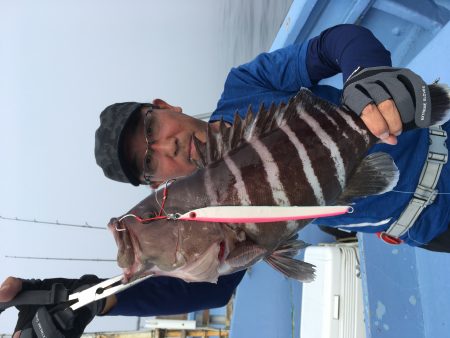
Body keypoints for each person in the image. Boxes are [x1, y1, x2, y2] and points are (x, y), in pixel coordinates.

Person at [1, 23, 448, 337]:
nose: (166, 149)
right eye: (148, 164)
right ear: (154, 185)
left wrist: (366, 75)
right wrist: (91, 300)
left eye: (153, 130)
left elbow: (337, 42)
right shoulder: (212, 226)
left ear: (164, 106)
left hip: (437, 136)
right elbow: (211, 289)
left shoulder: (246, 87)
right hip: (428, 230)